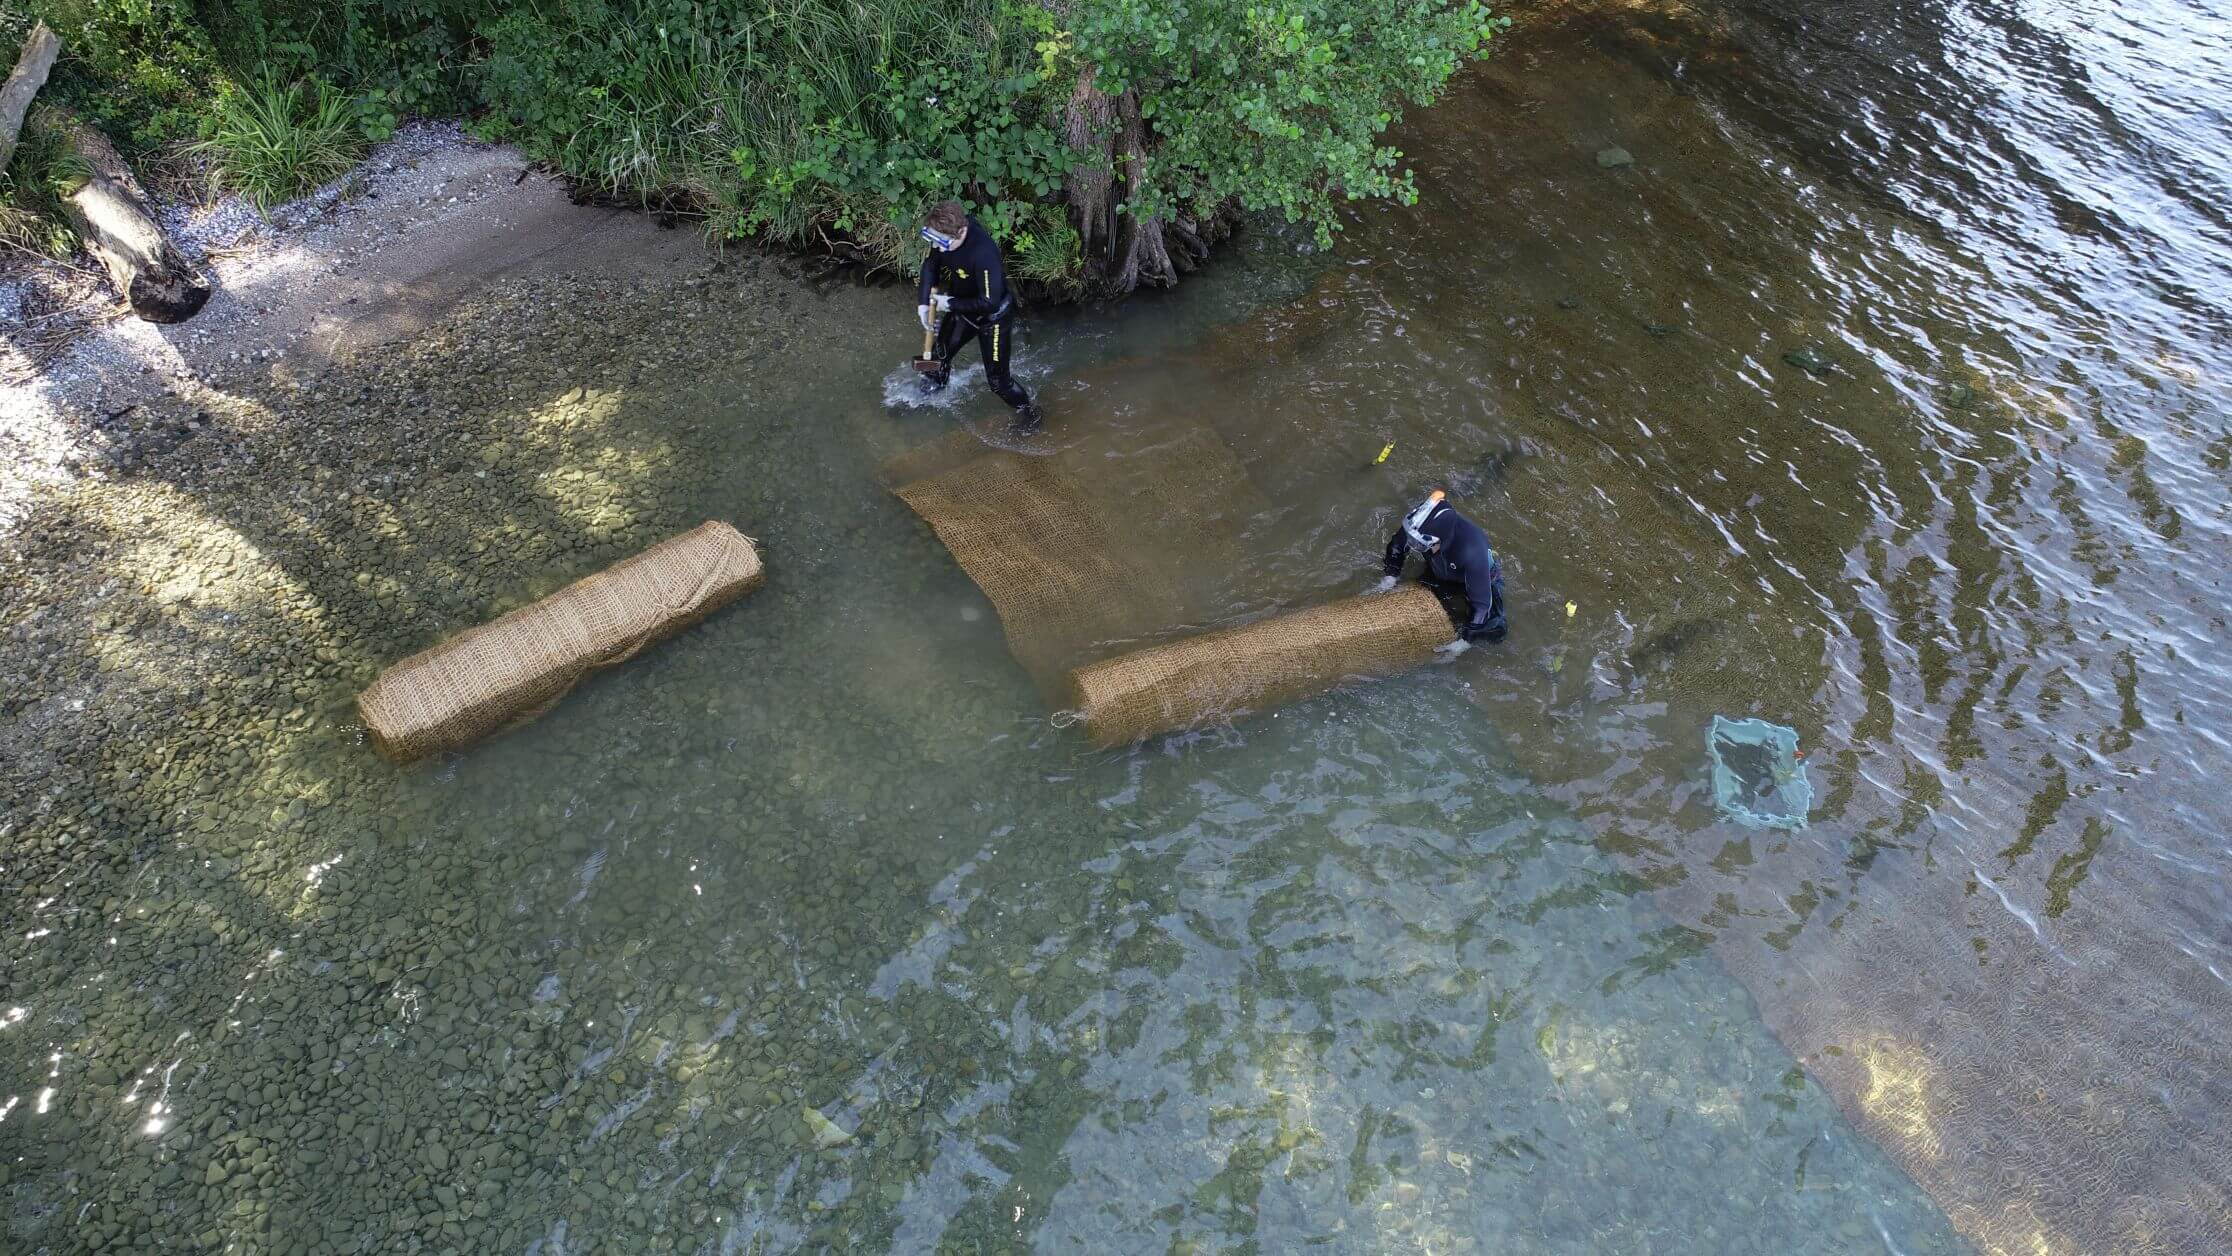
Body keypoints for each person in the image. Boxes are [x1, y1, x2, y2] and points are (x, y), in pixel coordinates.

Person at [916, 200, 1043, 433]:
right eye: (933, 240)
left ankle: (1030, 413)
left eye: (943, 243)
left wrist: (949, 303)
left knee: (998, 382)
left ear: (961, 231)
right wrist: (923, 305)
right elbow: (931, 266)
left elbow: (989, 302)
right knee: (936, 358)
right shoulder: (944, 237)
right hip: (962, 310)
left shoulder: (983, 253)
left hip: (993, 318)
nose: (939, 248)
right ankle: (930, 392)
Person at [1376, 490, 1508, 645]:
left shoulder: (1471, 551)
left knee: (1496, 630)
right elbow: (1397, 546)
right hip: (1441, 567)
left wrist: (1462, 644)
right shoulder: (1417, 525)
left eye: (1418, 544)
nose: (1412, 544)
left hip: (1481, 576)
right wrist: (1390, 578)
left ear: (1440, 539)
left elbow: (1481, 606)